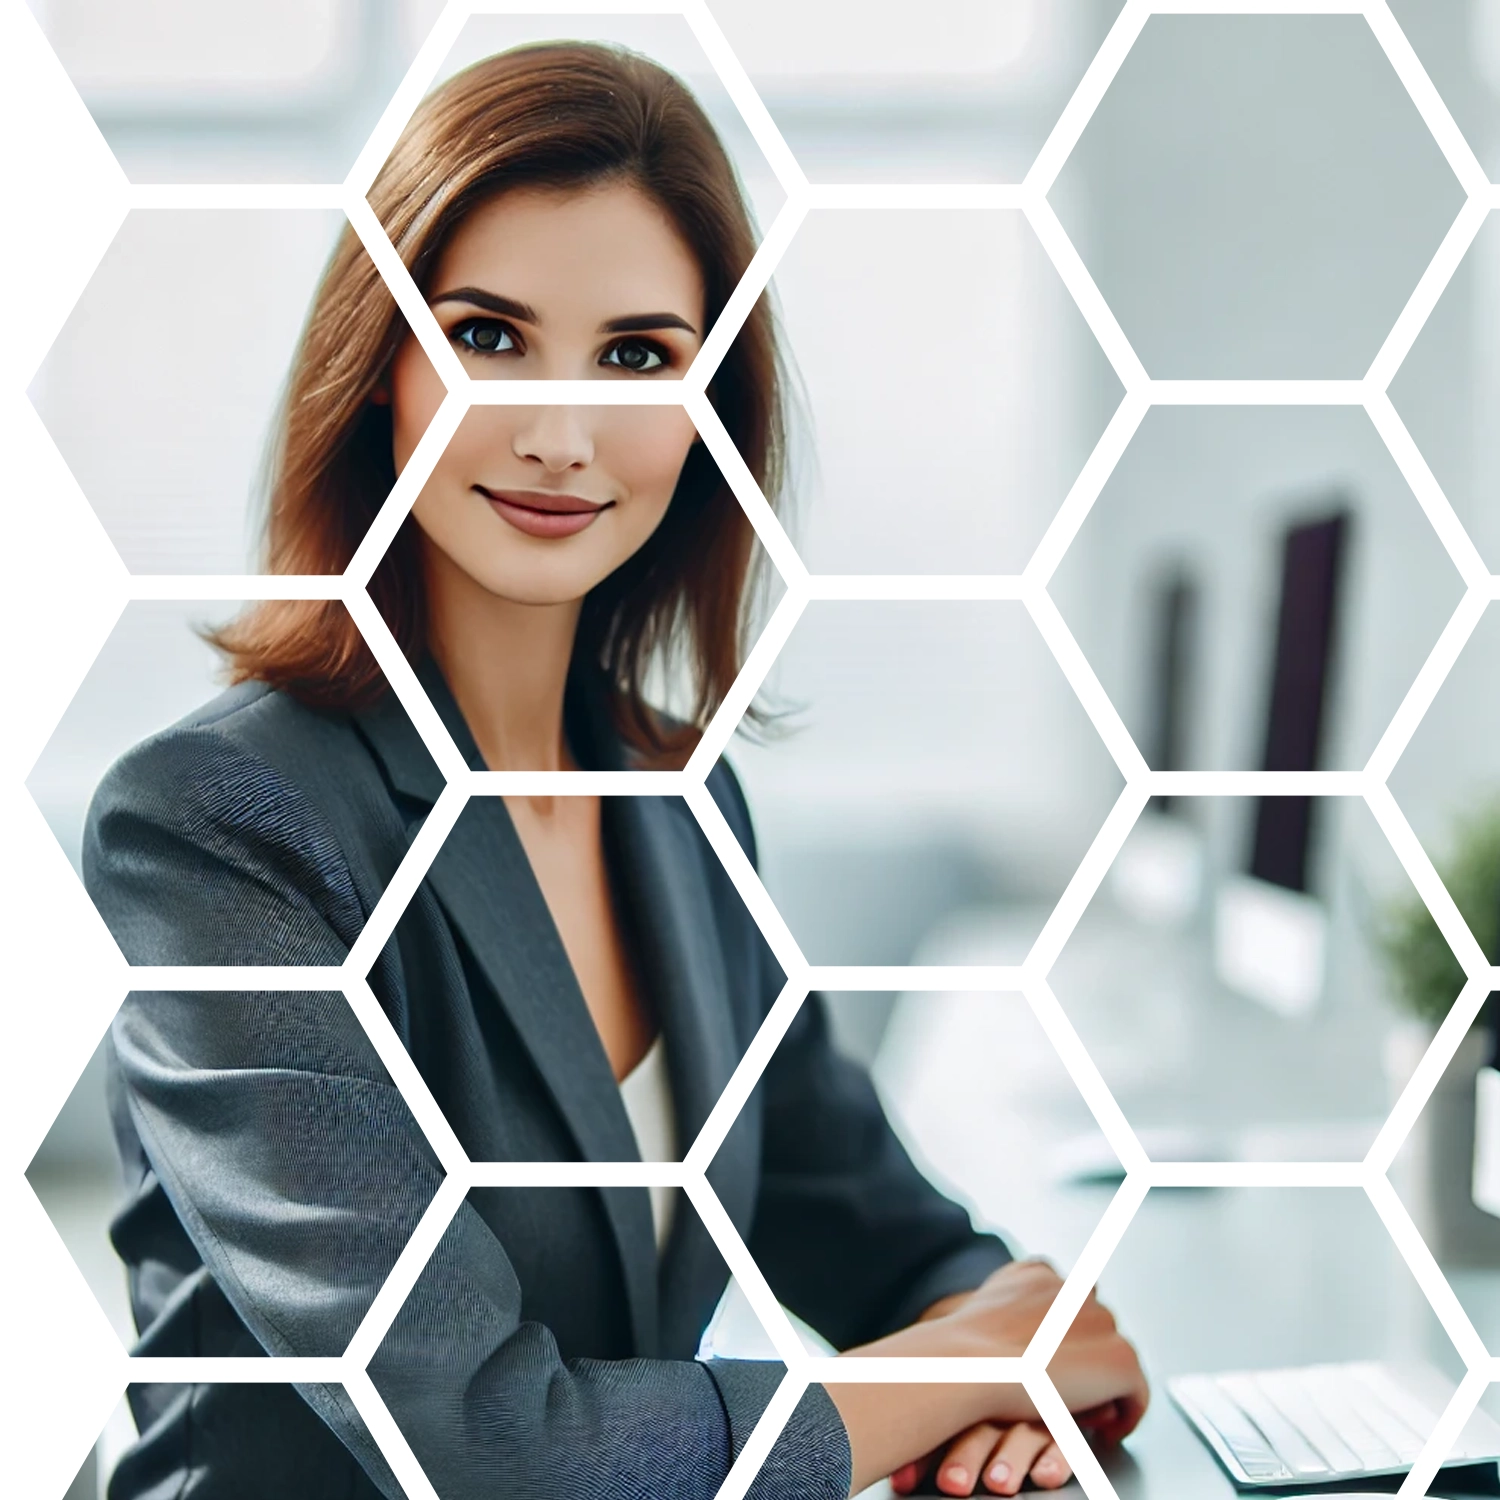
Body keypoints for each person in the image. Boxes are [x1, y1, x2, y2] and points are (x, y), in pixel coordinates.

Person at [82, 40, 1148, 1500]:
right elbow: (491, 1448)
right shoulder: (212, 830)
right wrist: (984, 1362)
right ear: (377, 364)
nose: (560, 433)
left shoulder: (678, 798)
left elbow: (886, 1234)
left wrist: (996, 1351)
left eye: (638, 355)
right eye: (488, 336)